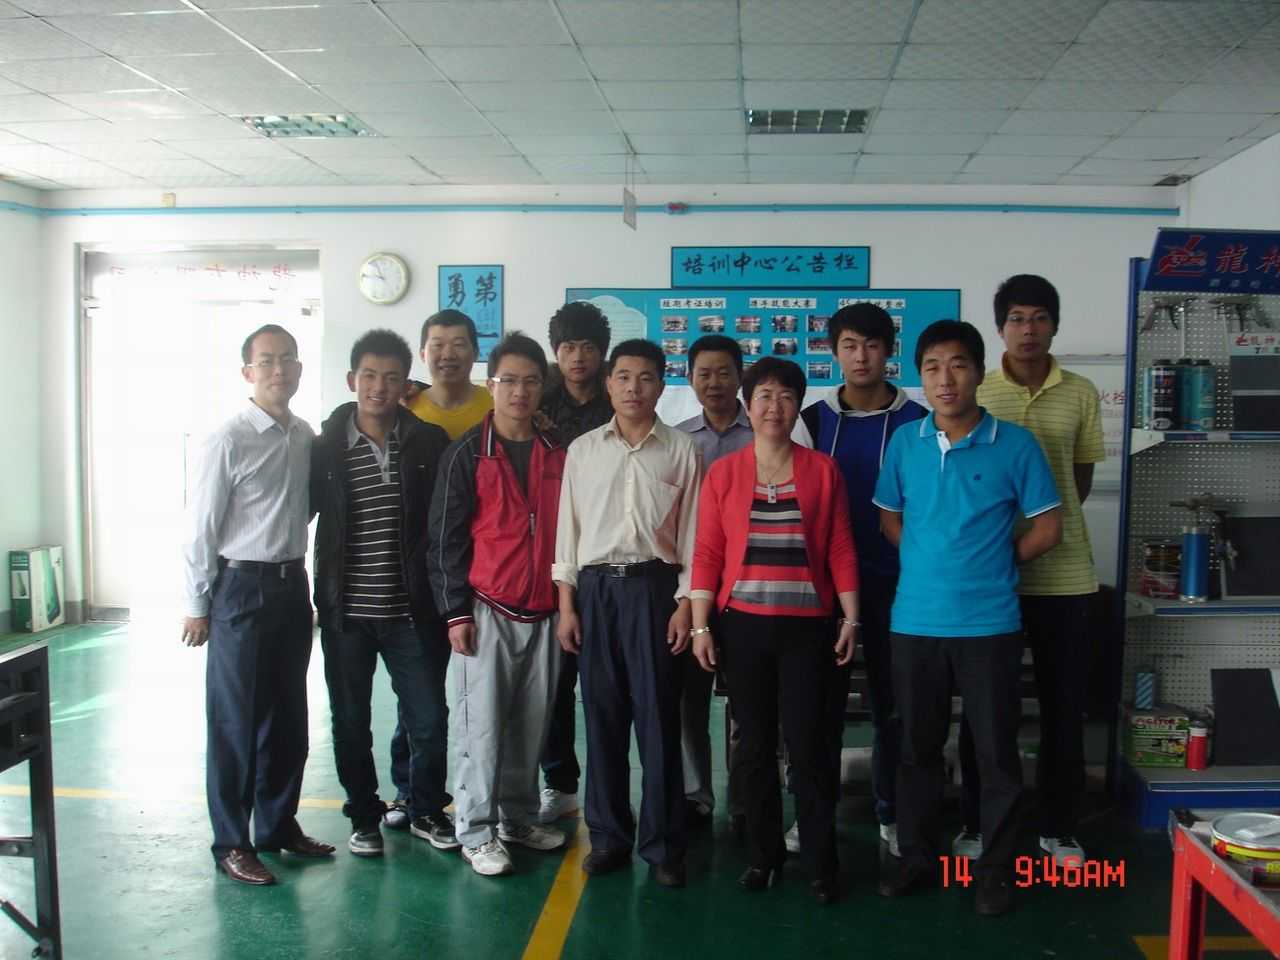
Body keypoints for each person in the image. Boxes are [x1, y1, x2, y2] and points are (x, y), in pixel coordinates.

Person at [873, 320, 1062, 916]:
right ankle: (916, 857)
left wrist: (996, 561)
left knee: (996, 752)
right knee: (916, 749)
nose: (945, 379)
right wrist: (926, 560)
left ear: (979, 372)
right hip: (915, 622)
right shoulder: (905, 444)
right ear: (920, 376)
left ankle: (996, 870)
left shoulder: (1016, 445)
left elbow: (1049, 528)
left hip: (989, 625)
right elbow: (889, 517)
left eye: (957, 365)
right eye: (932, 367)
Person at [690, 356, 859, 906]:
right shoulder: (724, 473)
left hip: (808, 631)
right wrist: (701, 625)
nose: (774, 406)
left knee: (810, 748)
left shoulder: (822, 471)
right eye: (764, 395)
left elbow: (839, 547)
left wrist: (851, 617)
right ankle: (763, 856)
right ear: (749, 403)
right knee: (755, 748)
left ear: (797, 406)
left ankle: (821, 861)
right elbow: (707, 553)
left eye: (786, 396)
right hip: (743, 629)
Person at [954, 275, 1106, 869]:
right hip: (990, 576)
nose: (1028, 329)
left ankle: (1058, 827)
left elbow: (1078, 481)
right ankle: (977, 819)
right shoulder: (979, 390)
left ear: (1054, 325)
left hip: (1065, 576)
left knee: (1064, 707)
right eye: (1016, 318)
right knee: (986, 710)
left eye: (1039, 317)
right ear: (1000, 328)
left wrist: (1041, 530)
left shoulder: (1082, 392)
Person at [181, 323, 335, 886]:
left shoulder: (303, 435)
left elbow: (304, 507)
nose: (278, 369)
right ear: (248, 372)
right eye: (266, 360)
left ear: (299, 369)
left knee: (288, 717)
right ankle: (231, 842)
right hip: (240, 589)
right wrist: (197, 604)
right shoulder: (227, 440)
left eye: (287, 359)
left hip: (291, 588)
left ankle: (276, 826)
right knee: (236, 721)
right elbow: (200, 527)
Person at [553, 338, 701, 889]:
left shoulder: (683, 450)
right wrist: (567, 605)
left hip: (655, 591)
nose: (633, 387)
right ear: (609, 384)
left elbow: (694, 536)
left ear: (661, 385)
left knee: (658, 719)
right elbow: (567, 533)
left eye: (645, 377)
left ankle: (663, 846)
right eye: (623, 377)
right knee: (603, 717)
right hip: (595, 592)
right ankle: (609, 836)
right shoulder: (583, 451)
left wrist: (685, 603)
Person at [310, 330, 456, 858]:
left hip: (411, 612)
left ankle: (425, 808)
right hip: (346, 614)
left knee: (429, 720)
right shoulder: (324, 447)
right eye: (369, 376)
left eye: (391, 377)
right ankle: (364, 816)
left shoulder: (427, 442)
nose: (379, 387)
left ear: (405, 384)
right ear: (352, 380)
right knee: (350, 723)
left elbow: (444, 521)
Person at [428, 333, 569, 877]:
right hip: (485, 610)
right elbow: (444, 540)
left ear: (542, 388)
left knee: (531, 725)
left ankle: (517, 818)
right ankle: (475, 830)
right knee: (479, 729)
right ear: (491, 385)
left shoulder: (559, 452)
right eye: (508, 380)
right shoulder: (467, 453)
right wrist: (456, 612)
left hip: (544, 611)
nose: (519, 391)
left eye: (530, 381)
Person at [795, 303, 927, 859]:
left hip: (901, 585)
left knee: (894, 706)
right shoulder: (813, 420)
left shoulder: (919, 420)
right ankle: (813, 815)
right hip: (827, 589)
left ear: (888, 351)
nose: (861, 356)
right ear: (833, 352)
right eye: (849, 345)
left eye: (872, 345)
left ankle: (891, 812)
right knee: (819, 707)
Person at [383, 309, 494, 831]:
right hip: (422, 572)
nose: (448, 354)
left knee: (487, 693)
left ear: (476, 350)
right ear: (423, 353)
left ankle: (492, 794)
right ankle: (411, 792)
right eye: (438, 344)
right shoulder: (404, 408)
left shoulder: (495, 406)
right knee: (420, 691)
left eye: (459, 343)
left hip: (487, 569)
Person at [535, 300, 613, 825]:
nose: (577, 357)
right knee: (556, 682)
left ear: (601, 352)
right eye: (568, 347)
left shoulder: (617, 397)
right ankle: (560, 783)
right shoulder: (537, 398)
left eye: (587, 347)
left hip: (607, 555)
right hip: (552, 555)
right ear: (556, 352)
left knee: (607, 685)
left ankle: (610, 789)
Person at [675, 335, 753, 829]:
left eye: (724, 372)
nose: (715, 382)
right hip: (693, 591)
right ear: (690, 379)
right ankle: (694, 796)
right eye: (704, 373)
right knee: (689, 701)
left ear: (740, 376)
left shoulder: (765, 433)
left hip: (750, 589)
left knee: (749, 702)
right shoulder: (679, 441)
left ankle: (745, 799)